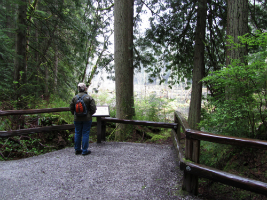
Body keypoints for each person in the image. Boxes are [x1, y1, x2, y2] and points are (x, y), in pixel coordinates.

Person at [70, 83, 96, 155]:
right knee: (85, 133)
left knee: (77, 133)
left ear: (78, 89)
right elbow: (93, 109)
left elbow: (71, 108)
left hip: (77, 119)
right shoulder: (89, 98)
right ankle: (84, 151)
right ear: (85, 88)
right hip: (87, 119)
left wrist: (75, 114)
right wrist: (89, 114)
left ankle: (77, 150)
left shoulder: (75, 98)